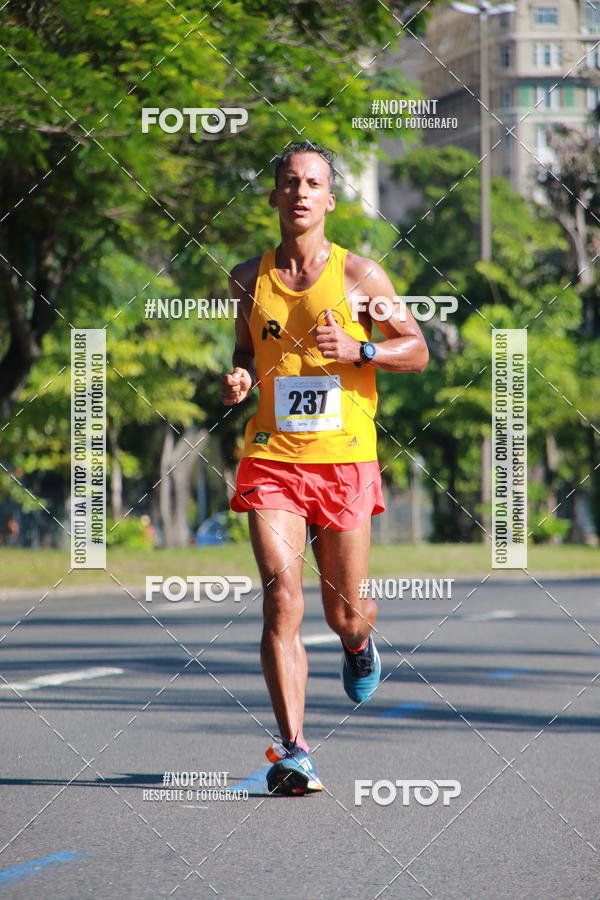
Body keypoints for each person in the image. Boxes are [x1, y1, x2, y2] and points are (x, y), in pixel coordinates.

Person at [221, 141, 428, 796]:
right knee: (281, 597)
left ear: (330, 199)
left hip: (343, 460)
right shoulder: (245, 278)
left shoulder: (362, 275)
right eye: (290, 181)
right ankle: (294, 749)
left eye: (314, 182)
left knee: (343, 613)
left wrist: (363, 347)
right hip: (273, 459)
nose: (302, 191)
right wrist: (238, 378)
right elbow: (245, 354)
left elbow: (417, 349)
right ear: (275, 195)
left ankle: (359, 643)